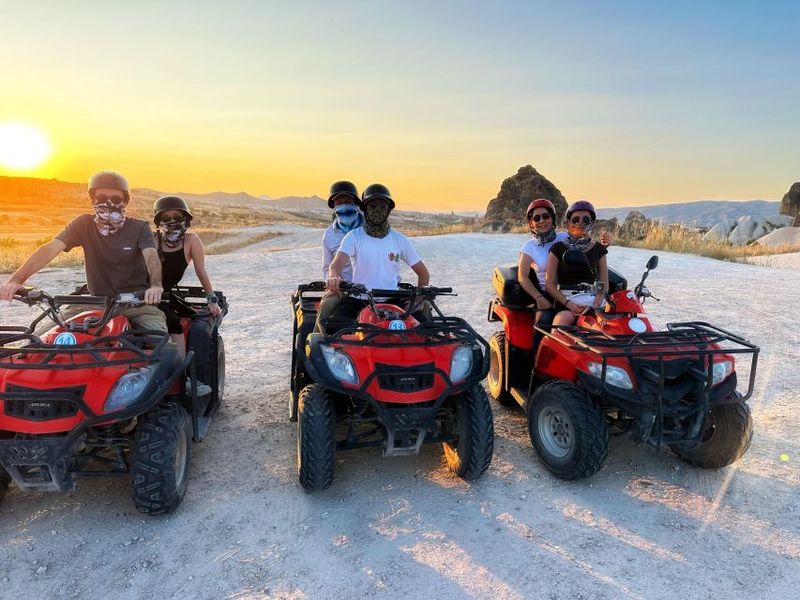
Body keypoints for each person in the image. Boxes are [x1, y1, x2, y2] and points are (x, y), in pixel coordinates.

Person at [0, 171, 167, 334]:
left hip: (135, 304)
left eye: (116, 199)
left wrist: (155, 286)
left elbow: (151, 256)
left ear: (125, 202)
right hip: (93, 301)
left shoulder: (139, 227)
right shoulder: (82, 224)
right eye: (101, 198)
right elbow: (50, 249)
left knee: (158, 342)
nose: (108, 203)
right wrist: (16, 280)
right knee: (42, 340)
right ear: (92, 199)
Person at [317, 183, 430, 333]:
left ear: (389, 209)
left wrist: (420, 298)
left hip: (394, 299)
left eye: (382, 206)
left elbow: (423, 273)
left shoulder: (399, 239)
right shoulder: (354, 237)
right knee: (332, 332)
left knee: (428, 332)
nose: (377, 210)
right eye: (372, 206)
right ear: (364, 208)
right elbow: (335, 264)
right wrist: (333, 278)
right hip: (359, 299)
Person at [518, 199, 610, 345]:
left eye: (546, 216)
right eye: (536, 218)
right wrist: (539, 298)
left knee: (613, 329)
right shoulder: (537, 246)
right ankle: (536, 364)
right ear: (531, 222)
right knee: (545, 323)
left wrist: (603, 245)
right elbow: (523, 277)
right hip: (548, 293)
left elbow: (586, 246)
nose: (542, 221)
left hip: (591, 298)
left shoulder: (563, 238)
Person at [152, 195, 221, 355]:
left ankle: (180, 369)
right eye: (166, 218)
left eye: (177, 217)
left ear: (186, 219)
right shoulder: (152, 239)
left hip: (164, 297)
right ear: (158, 222)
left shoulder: (191, 241)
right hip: (143, 293)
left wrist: (211, 300)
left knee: (173, 322)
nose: (172, 221)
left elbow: (201, 271)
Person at [545, 200, 609, 328]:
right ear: (568, 223)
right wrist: (569, 304)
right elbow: (550, 284)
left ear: (591, 223)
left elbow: (604, 283)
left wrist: (596, 303)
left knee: (610, 330)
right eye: (575, 220)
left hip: (594, 300)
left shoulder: (598, 249)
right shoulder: (558, 248)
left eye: (586, 219)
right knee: (558, 330)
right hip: (567, 300)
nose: (580, 223)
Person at [321, 181, 363, 282]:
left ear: (356, 204)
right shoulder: (329, 234)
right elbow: (327, 267)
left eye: (348, 201)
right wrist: (332, 280)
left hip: (370, 289)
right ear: (334, 207)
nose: (344, 206)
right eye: (339, 203)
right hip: (343, 290)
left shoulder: (368, 229)